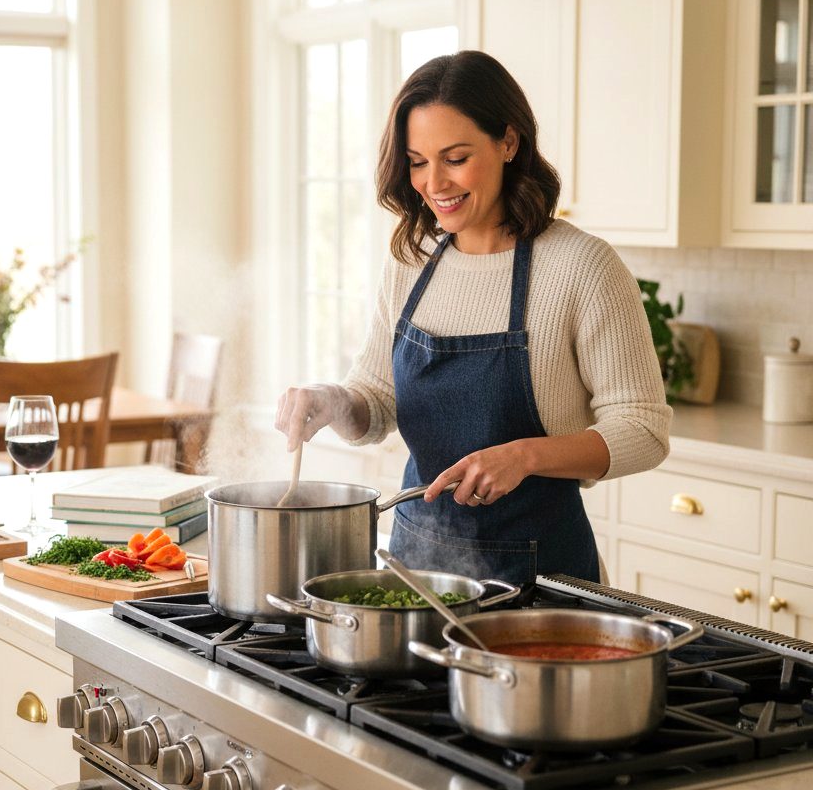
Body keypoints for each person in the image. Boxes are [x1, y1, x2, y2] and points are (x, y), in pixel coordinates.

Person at [275, 50, 671, 587]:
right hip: (418, 573)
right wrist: (334, 401)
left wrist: (524, 457)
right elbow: (377, 398)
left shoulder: (581, 266)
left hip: (541, 580)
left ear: (509, 142)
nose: (434, 182)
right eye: (417, 161)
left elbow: (644, 429)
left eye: (455, 158)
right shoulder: (411, 259)